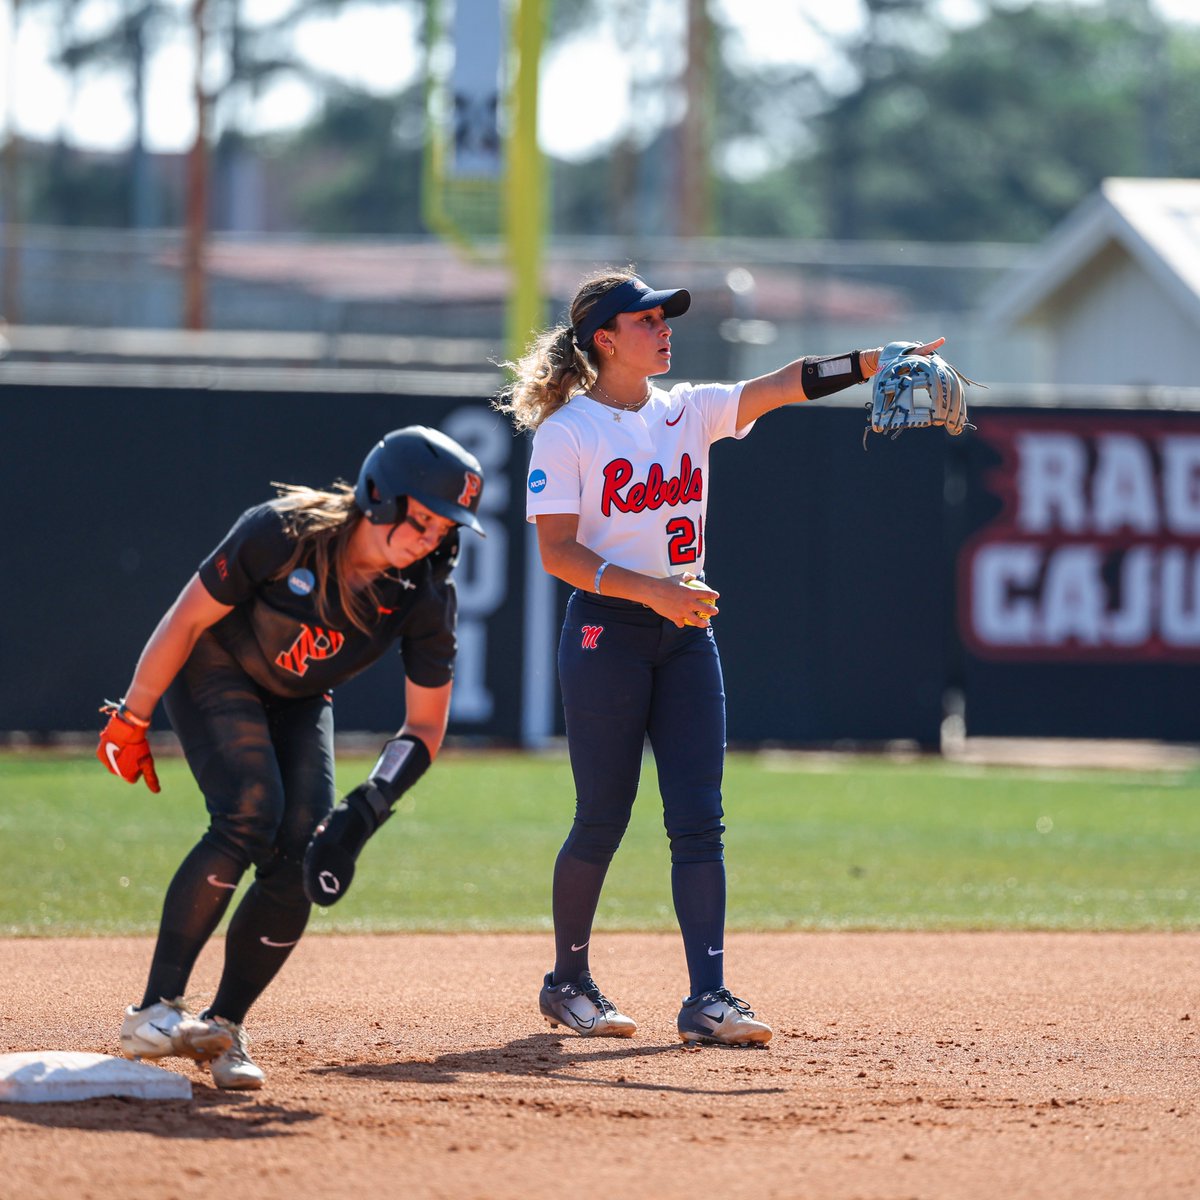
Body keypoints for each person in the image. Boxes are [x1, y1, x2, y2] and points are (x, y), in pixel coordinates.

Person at [495, 269, 943, 1047]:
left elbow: (780, 386)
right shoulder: (569, 431)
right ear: (605, 339)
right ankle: (566, 983)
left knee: (700, 822)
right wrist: (652, 593)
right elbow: (558, 553)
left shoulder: (688, 409)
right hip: (607, 631)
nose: (665, 328)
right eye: (647, 320)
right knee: (602, 816)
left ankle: (709, 998)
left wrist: (869, 363)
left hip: (685, 632)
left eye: (666, 317)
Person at [97, 426, 485, 1088]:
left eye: (445, 527)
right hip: (215, 666)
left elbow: (424, 726)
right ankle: (154, 1011)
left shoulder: (422, 596)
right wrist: (133, 715)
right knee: (251, 813)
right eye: (422, 518)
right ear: (379, 497)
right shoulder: (283, 532)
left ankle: (222, 1029)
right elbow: (185, 620)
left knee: (301, 848)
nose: (430, 538)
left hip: (300, 696)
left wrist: (366, 810)